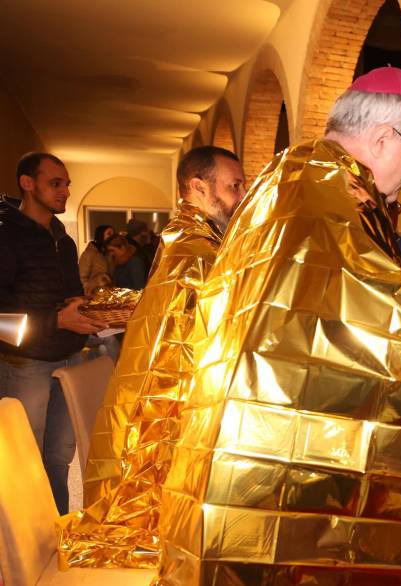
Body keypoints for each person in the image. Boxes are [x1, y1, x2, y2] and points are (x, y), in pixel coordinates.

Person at [156, 67, 401, 585]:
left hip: (254, 426)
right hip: (275, 445)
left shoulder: (290, 176)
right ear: (382, 138)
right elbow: (366, 310)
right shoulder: (330, 191)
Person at [57, 146, 246, 568]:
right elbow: (179, 355)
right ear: (198, 187)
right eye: (234, 185)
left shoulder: (193, 239)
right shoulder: (193, 249)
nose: (242, 194)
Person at [0, 152, 106, 515]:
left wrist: (88, 310)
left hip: (69, 358)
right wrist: (58, 321)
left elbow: (68, 294)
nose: (65, 191)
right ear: (27, 184)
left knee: (59, 459)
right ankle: (23, 552)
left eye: (67, 184)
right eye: (55, 183)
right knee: (23, 462)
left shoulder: (63, 238)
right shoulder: (7, 237)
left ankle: (57, 536)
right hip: (26, 364)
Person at [79, 224, 114, 295]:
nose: (112, 237)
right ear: (100, 235)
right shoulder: (89, 254)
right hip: (94, 294)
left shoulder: (108, 253)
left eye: (113, 234)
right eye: (109, 234)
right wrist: (89, 291)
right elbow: (82, 277)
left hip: (108, 294)